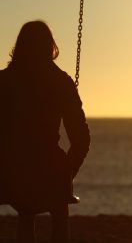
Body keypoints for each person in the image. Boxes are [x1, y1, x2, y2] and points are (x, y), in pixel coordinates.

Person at [0, 20, 90, 242]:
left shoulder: (3, 81)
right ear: (50, 46)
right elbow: (81, 139)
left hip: (10, 172)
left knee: (25, 209)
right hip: (49, 171)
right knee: (59, 207)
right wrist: (69, 170)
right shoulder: (61, 82)